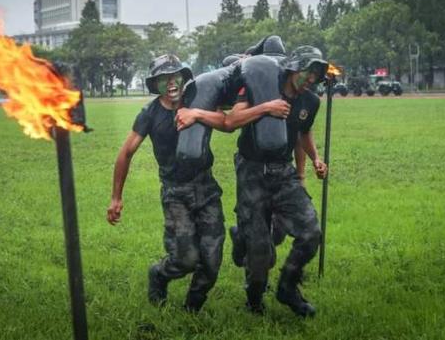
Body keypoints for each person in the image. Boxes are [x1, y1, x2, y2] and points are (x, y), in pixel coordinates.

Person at [107, 54, 233, 312]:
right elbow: (126, 153)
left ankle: (192, 308)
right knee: (186, 259)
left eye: (175, 76)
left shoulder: (196, 99)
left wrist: (197, 114)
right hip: (176, 193)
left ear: (183, 78)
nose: (172, 83)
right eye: (164, 79)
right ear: (156, 85)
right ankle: (160, 274)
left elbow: (226, 122)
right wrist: (116, 197)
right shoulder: (149, 114)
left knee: (212, 259)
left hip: (207, 187)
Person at [227, 45, 329, 317]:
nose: (311, 79)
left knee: (311, 233)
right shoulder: (262, 85)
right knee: (260, 250)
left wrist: (315, 158)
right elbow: (232, 119)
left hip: (283, 172)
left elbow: (302, 133)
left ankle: (287, 287)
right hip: (251, 170)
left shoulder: (311, 101)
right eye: (309, 72)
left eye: (317, 76)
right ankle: (254, 298)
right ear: (294, 66)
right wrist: (265, 108)